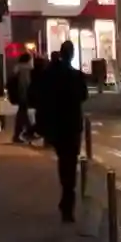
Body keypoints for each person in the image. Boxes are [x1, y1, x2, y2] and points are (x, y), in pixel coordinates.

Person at [44, 40, 88, 223]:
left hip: (60, 125)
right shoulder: (76, 76)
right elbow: (83, 95)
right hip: (72, 125)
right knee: (70, 163)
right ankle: (68, 199)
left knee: (64, 162)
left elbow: (46, 96)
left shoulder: (53, 74)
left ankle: (66, 197)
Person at [11, 52, 34, 144]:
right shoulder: (25, 70)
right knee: (24, 115)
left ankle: (20, 134)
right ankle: (28, 133)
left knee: (22, 115)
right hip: (24, 96)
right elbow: (24, 84)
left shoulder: (18, 69)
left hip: (20, 96)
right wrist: (26, 96)